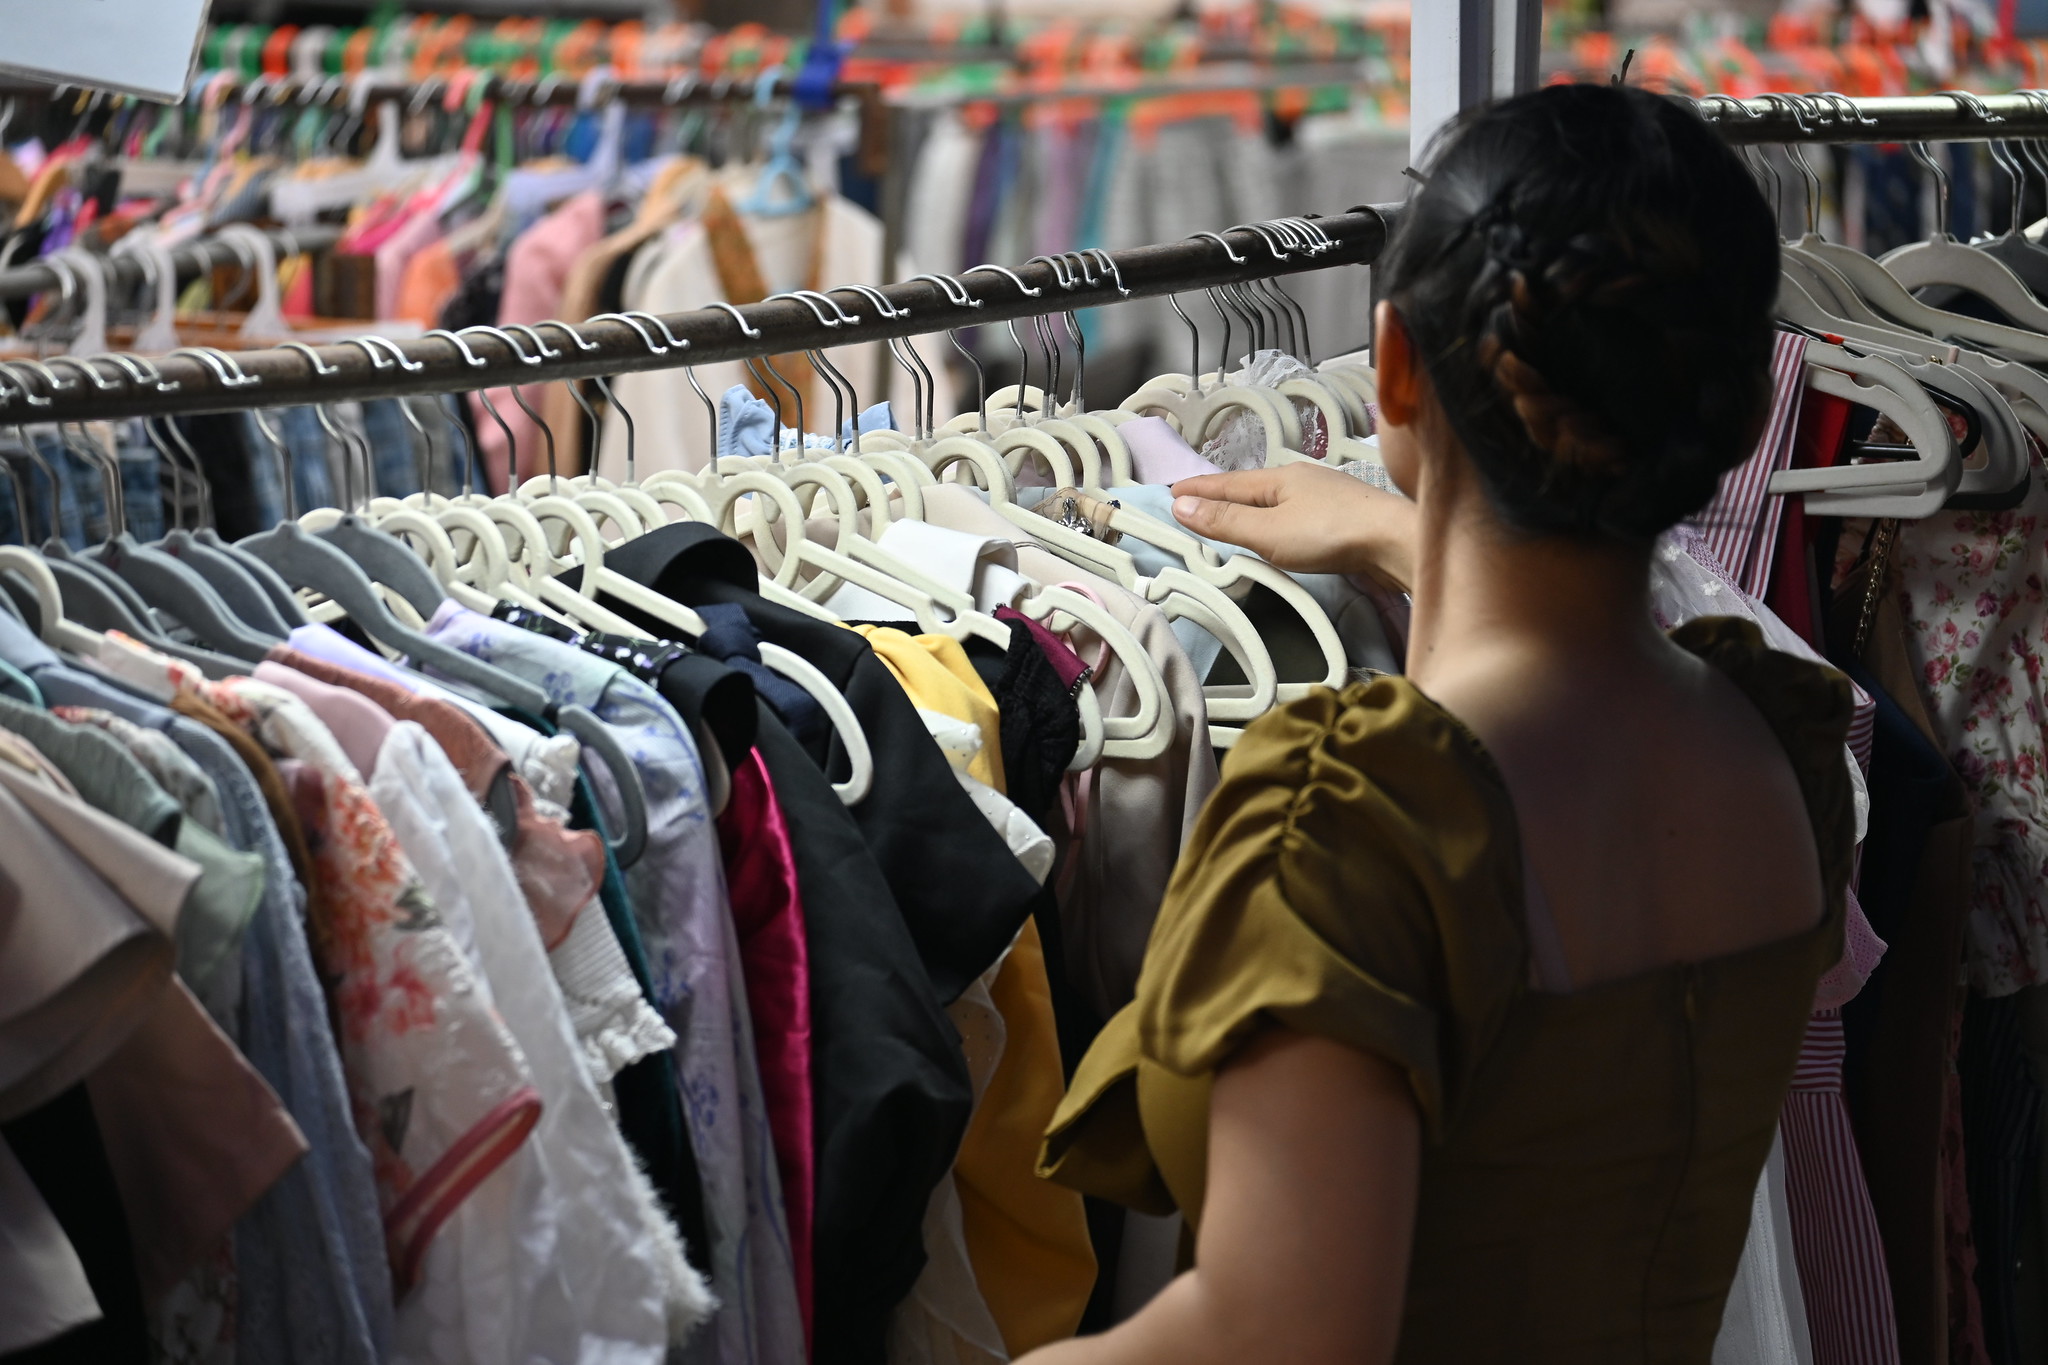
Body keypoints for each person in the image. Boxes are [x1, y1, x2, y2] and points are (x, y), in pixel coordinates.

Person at [1025, 83, 1853, 1364]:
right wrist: (1388, 533)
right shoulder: (1769, 744)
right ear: (1745, 414)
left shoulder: (1363, 826)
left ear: (1394, 366)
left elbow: (1271, 1333)